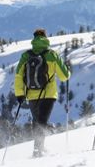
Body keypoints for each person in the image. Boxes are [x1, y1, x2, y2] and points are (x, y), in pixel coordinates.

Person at [14, 28, 71, 157]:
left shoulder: (26, 55)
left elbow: (18, 75)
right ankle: (38, 150)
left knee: (37, 121)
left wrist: (19, 94)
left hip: (31, 94)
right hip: (48, 94)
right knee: (42, 121)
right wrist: (68, 71)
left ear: (34, 39)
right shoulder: (52, 54)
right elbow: (64, 76)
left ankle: (38, 148)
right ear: (46, 38)